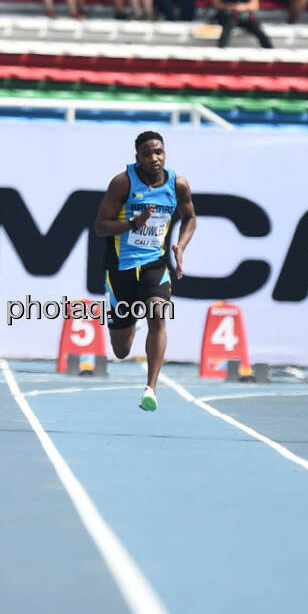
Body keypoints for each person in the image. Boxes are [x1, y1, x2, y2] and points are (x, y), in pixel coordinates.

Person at [93, 130, 194, 410]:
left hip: (155, 265)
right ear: (137, 157)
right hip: (121, 268)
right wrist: (132, 224)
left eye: (158, 152)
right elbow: (101, 226)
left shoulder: (178, 184)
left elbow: (189, 218)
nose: (154, 158)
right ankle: (130, 322)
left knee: (158, 317)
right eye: (147, 153)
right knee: (121, 350)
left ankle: (151, 388)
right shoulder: (123, 183)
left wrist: (181, 245)